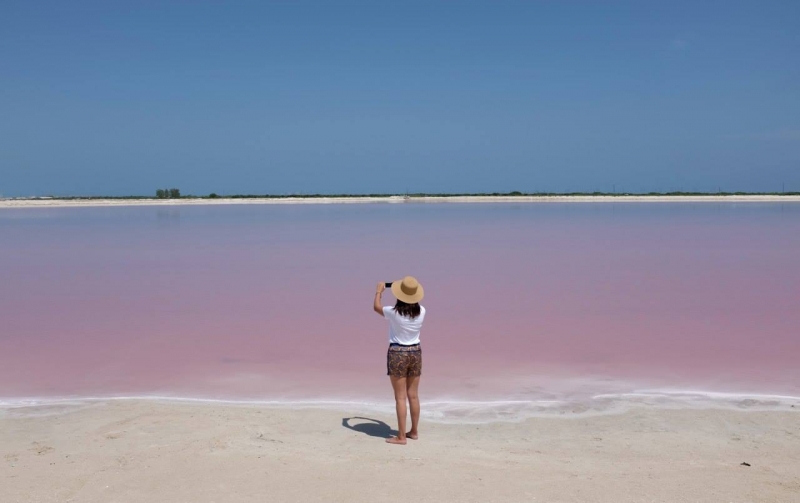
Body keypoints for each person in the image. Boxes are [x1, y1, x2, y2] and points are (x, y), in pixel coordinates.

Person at [373, 276, 425, 445]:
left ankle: (401, 436)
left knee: (400, 397)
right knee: (414, 396)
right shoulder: (422, 311)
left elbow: (376, 307)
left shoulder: (393, 312)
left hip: (398, 352)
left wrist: (379, 292)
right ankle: (414, 431)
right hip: (415, 352)